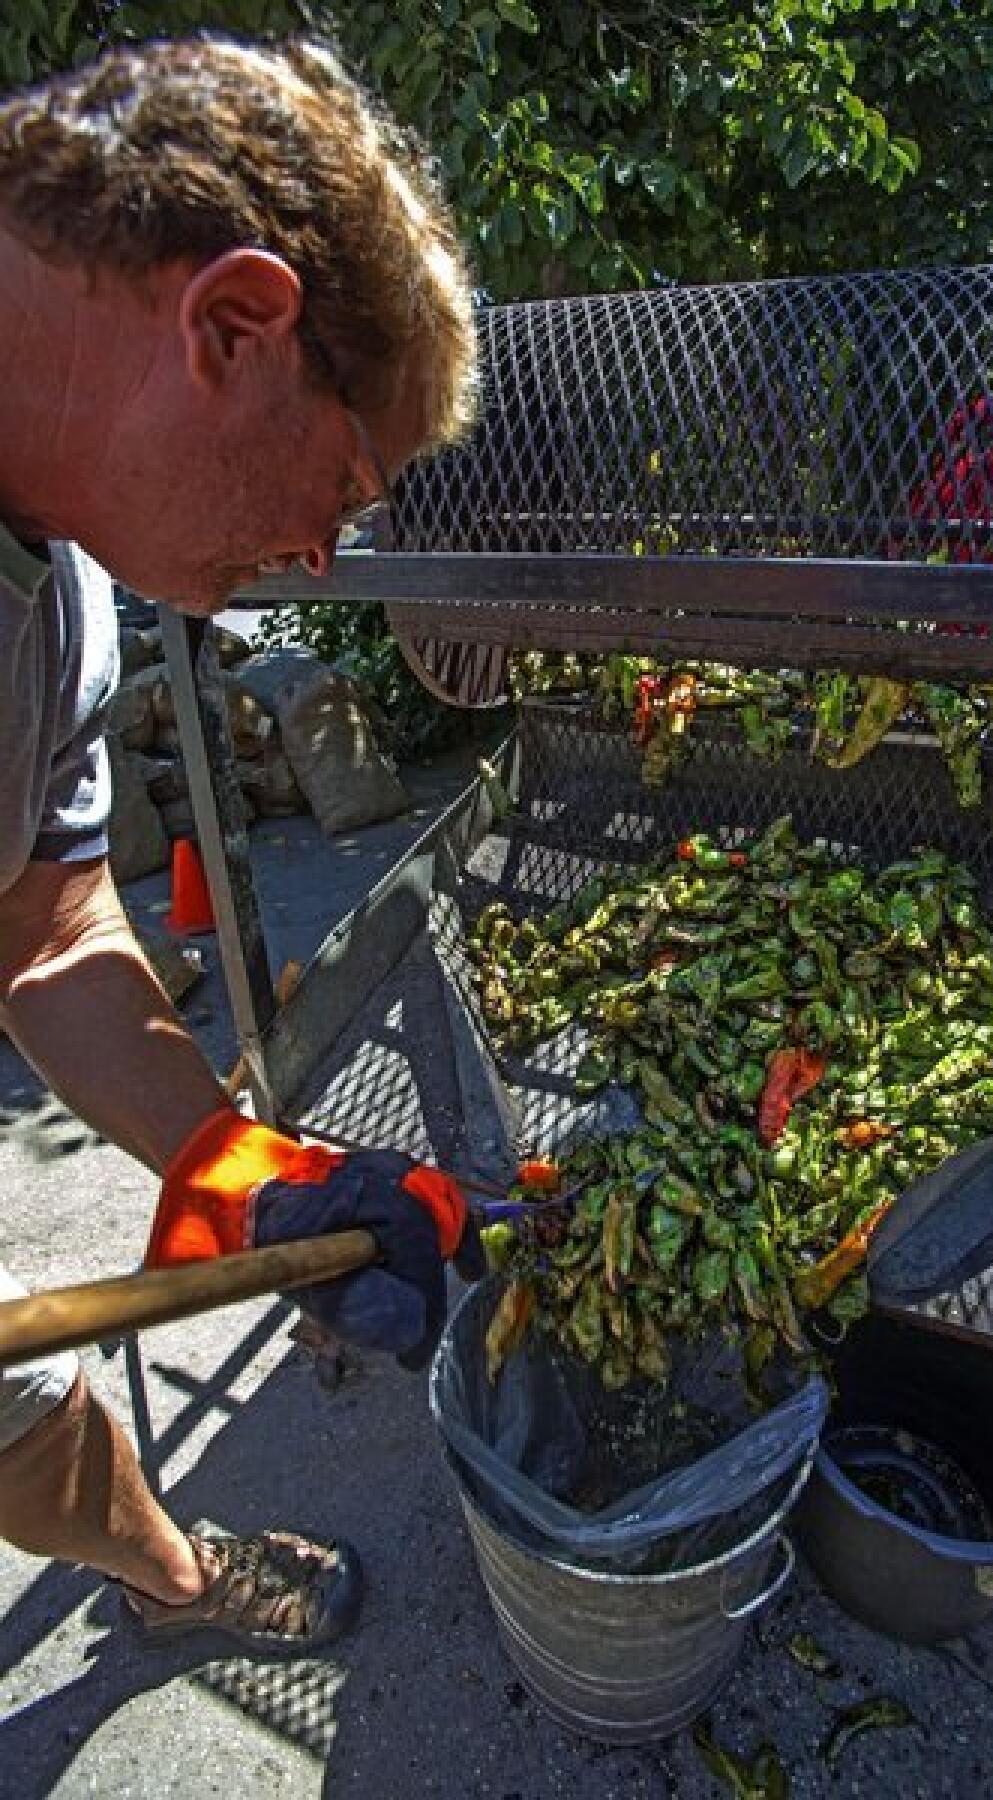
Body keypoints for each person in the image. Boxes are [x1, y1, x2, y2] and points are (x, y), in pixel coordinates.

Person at [0, 34, 479, 1650]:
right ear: (234, 325)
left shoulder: (60, 608)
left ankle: (173, 1583)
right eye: (343, 479)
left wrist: (242, 1177)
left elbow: (52, 932)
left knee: (22, 1405)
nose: (322, 550)